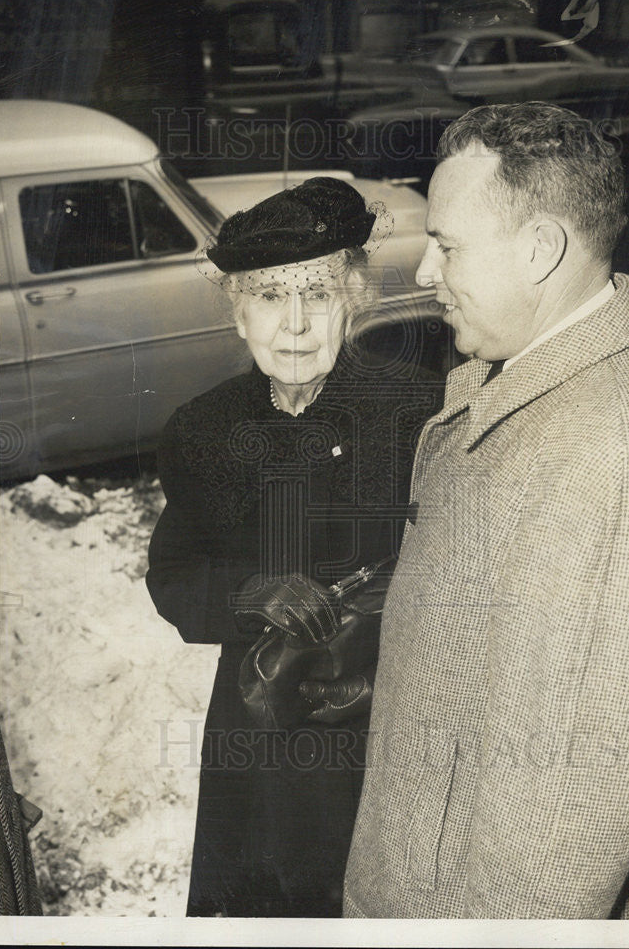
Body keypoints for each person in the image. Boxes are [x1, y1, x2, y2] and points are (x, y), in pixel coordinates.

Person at [343, 103, 629, 920]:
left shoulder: (609, 458)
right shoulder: (540, 376)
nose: (423, 274)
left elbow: (553, 849)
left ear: (541, 248)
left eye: (445, 246)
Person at [145, 177, 443, 917]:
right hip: (264, 728)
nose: (297, 324)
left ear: (356, 301)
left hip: (392, 723)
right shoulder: (203, 428)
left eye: (319, 295)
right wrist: (249, 591)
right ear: (237, 313)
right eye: (271, 298)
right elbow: (174, 572)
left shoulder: (416, 411)